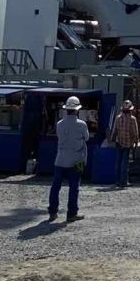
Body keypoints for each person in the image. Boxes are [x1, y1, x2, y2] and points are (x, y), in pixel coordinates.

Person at [48, 95, 89, 223]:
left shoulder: (59, 124)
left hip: (60, 160)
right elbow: (87, 138)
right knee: (73, 188)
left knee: (55, 187)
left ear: (66, 109)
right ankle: (71, 213)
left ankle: (52, 212)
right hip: (76, 160)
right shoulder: (82, 125)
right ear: (77, 110)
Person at [110, 100, 140, 187]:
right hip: (128, 143)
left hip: (119, 142)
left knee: (118, 162)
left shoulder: (118, 118)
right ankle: (124, 181)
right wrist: (136, 142)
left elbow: (114, 130)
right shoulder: (132, 119)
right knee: (125, 163)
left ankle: (117, 180)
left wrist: (112, 140)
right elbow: (135, 132)